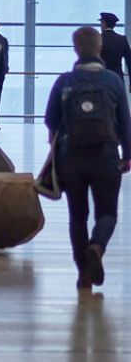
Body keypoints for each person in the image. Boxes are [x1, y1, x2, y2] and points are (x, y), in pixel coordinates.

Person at [44, 24, 131, 291]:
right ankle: (97, 246)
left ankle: (83, 273)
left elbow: (51, 119)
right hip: (105, 155)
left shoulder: (65, 81)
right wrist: (127, 155)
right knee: (107, 213)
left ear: (75, 49)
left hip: (72, 157)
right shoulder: (113, 81)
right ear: (99, 48)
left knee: (77, 216)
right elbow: (125, 122)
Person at [99, 13, 130, 91]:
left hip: (101, 78)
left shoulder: (97, 39)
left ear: (104, 23)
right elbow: (129, 62)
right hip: (118, 79)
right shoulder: (122, 40)